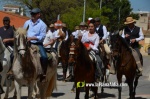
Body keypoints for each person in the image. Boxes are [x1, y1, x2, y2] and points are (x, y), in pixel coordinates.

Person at [23, 8, 47, 82]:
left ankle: (43, 73)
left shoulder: (42, 25)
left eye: (34, 14)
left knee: (44, 57)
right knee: (13, 54)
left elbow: (42, 36)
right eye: (31, 14)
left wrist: (33, 38)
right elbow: (23, 32)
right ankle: (11, 71)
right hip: (26, 43)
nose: (32, 15)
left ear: (38, 14)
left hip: (37, 43)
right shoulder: (27, 22)